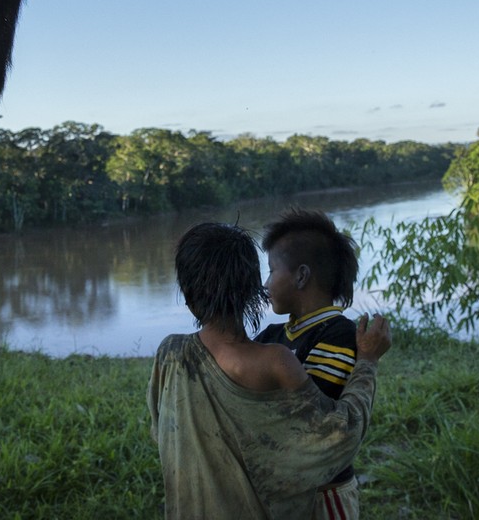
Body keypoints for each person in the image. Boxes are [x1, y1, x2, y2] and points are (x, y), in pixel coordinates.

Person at [148, 221, 391, 520]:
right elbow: (336, 435)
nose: (267, 283)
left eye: (272, 272)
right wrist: (368, 361)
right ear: (250, 289)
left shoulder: (169, 355)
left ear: (187, 294)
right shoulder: (275, 357)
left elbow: (162, 432)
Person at [254, 208, 362, 519]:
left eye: (272, 271)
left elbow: (308, 415)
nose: (265, 284)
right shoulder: (273, 334)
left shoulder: (339, 333)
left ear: (301, 276)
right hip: (283, 488)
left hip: (323, 494)